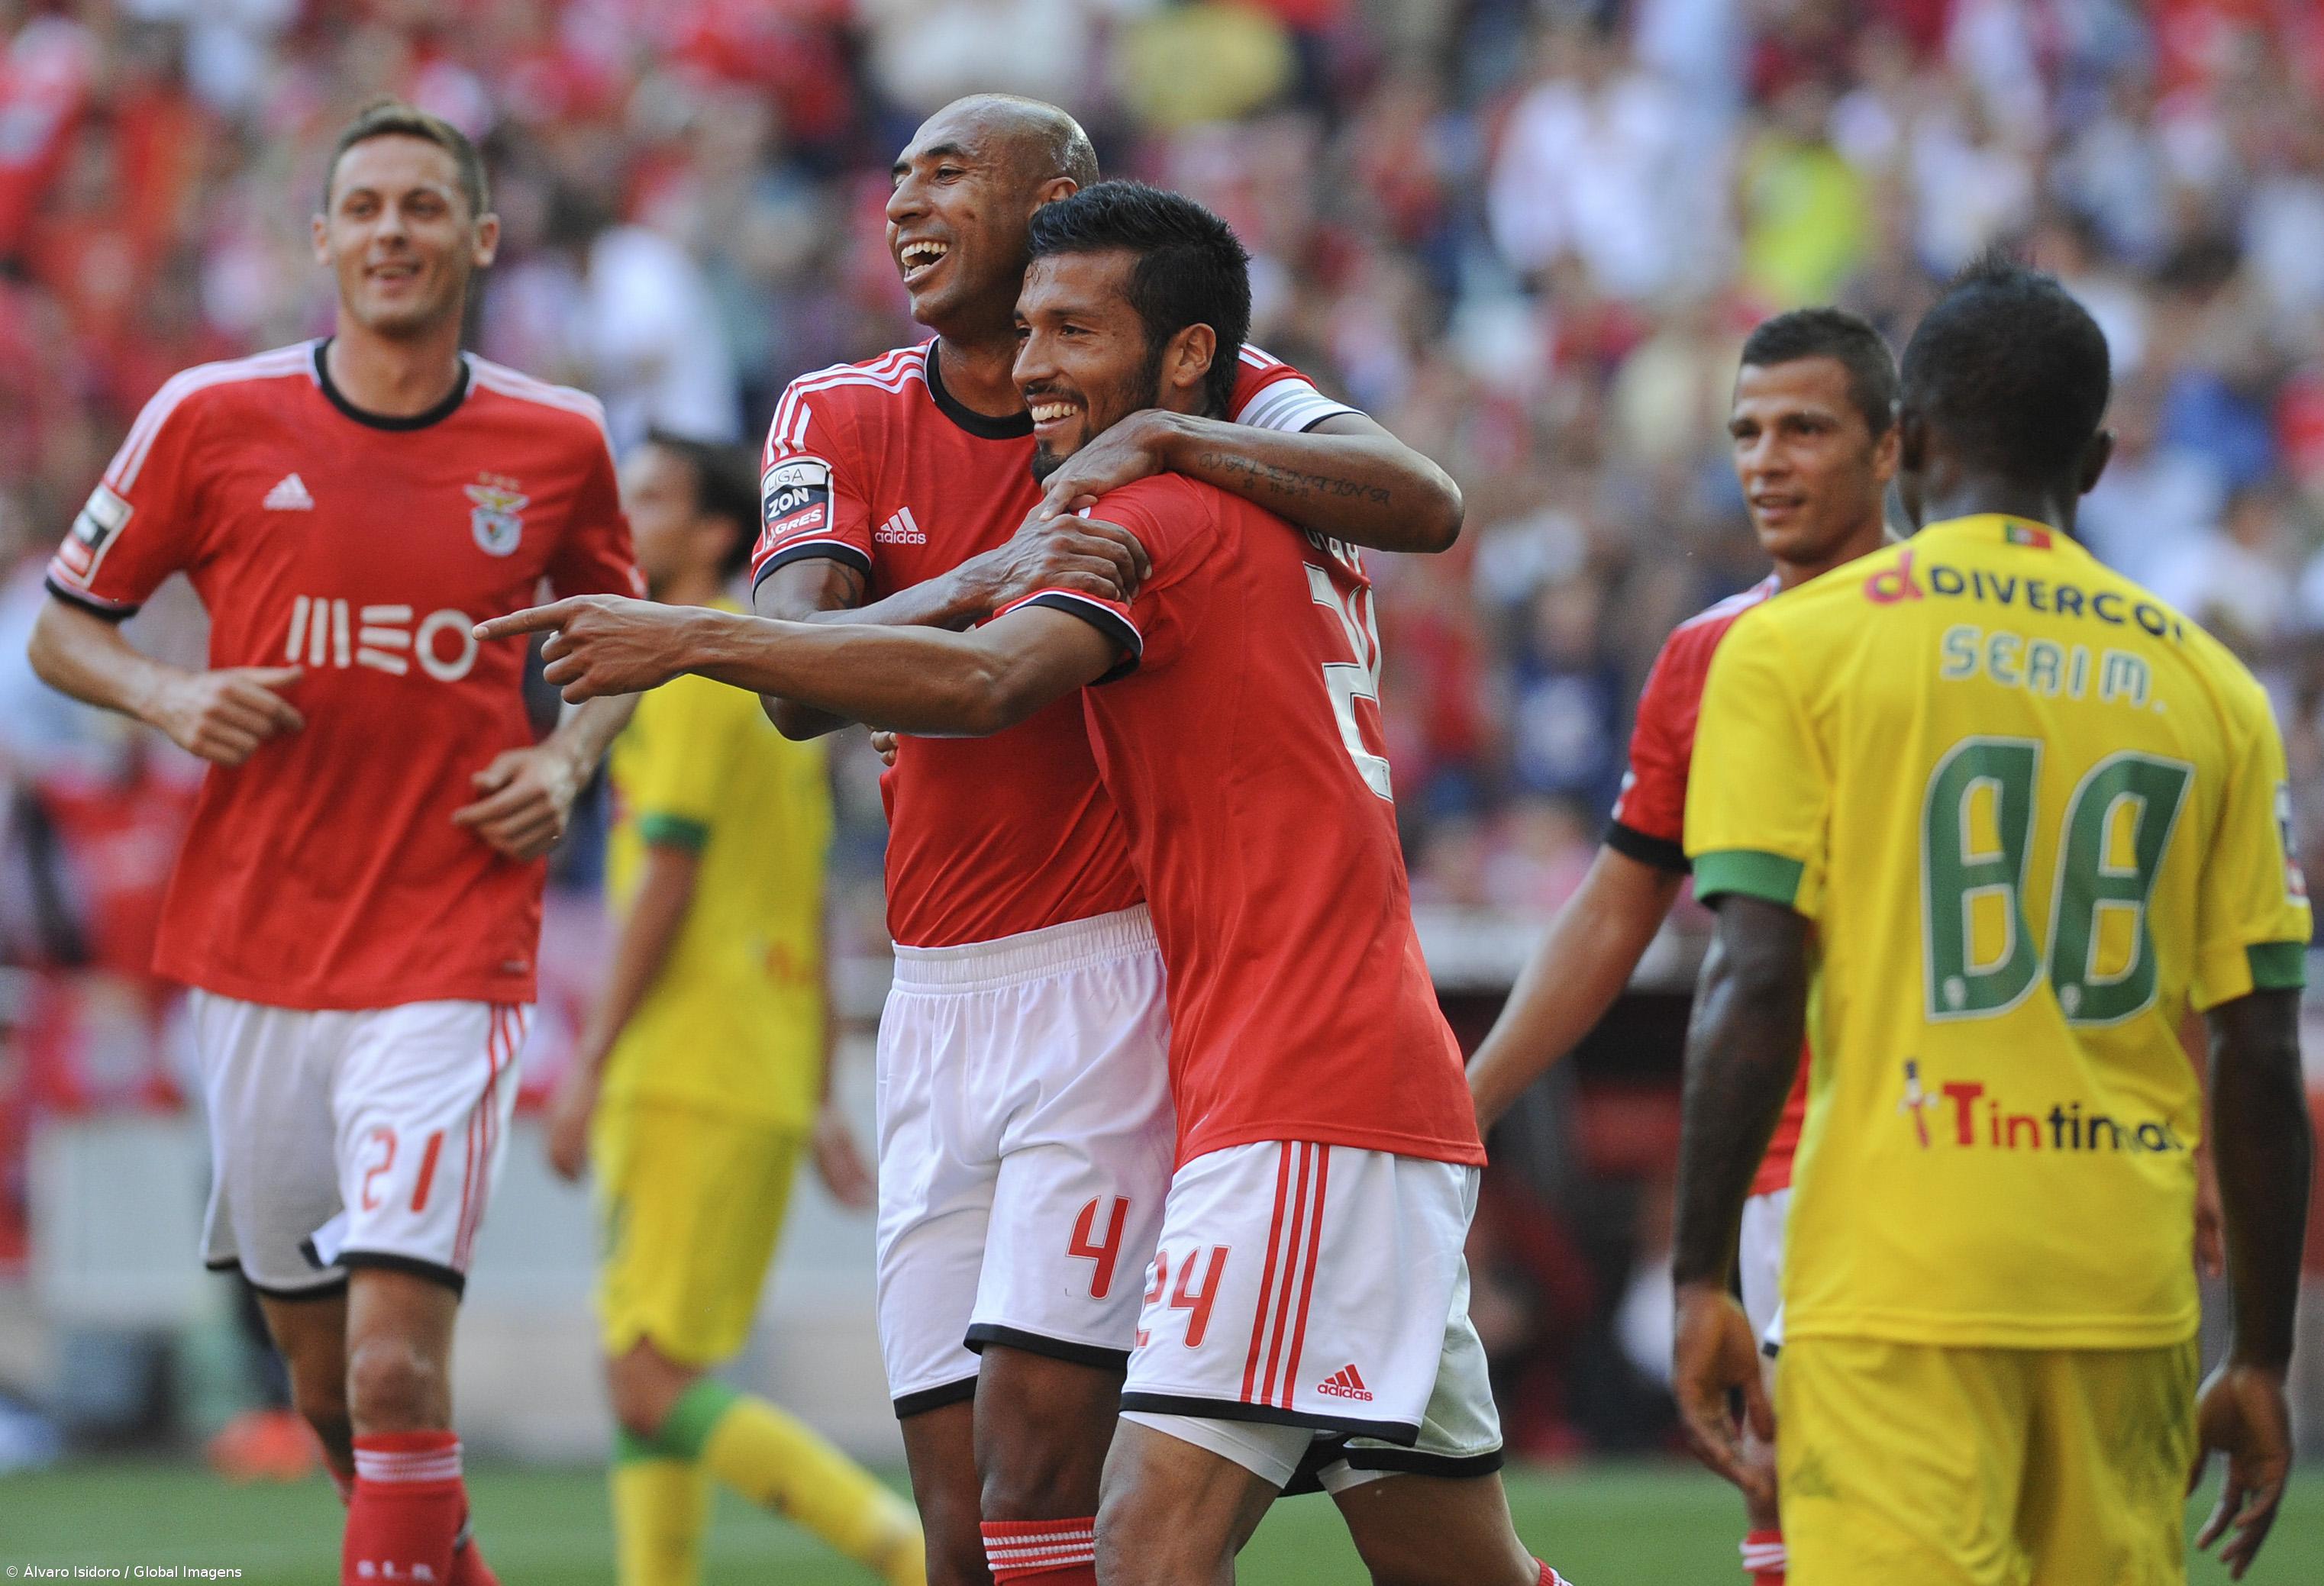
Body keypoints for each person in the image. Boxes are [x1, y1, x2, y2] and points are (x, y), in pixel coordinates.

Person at [478, 177, 1570, 1586]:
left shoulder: (1158, 509)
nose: (1037, 365)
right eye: (1031, 331)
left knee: (1134, 1535)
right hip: (1283, 1064)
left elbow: (994, 680)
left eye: (1069, 331)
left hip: (1296, 1085)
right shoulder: (1229, 479)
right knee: (1450, 1564)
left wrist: (693, 637)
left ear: (1187, 359)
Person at [749, 95, 1467, 1586]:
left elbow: (1423, 500)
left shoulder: (1202, 422)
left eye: (950, 172)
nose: (906, 203)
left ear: (1059, 195)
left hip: (1131, 980)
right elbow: (789, 673)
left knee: (1071, 1477)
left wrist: (1161, 438)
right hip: (934, 987)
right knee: (962, 1511)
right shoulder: (842, 406)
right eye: (895, 176)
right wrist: (975, 574)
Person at [27, 100, 641, 1586]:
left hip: (448, 946)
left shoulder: (555, 439)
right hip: (254, 955)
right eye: (364, 207)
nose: (392, 233)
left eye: (425, 207)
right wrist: (168, 690)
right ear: (320, 240)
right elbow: (62, 629)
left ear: (481, 239)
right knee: (325, 1395)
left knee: (391, 1377)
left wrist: (565, 760)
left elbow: (618, 644)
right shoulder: (210, 417)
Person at [1667, 256, 2313, 1585]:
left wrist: (1698, 1271)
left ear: (1909, 443)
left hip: (1895, 1277)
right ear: (2099, 458)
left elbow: (1754, 978)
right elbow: (2258, 1048)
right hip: (2126, 1291)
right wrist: (2259, 1352)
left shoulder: (1794, 649)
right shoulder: (2214, 691)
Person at [1466, 306, 1900, 1586]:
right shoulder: (1707, 653)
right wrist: (1467, 1100)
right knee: (1796, 1540)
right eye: (1748, 432)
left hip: (1952, 1141)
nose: (1767, 459)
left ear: (1891, 449)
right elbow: (1616, 906)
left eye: (1806, 428)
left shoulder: (1964, 636)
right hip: (1778, 1168)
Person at [542, 431, 920, 1586]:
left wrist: (592, 1059)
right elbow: (802, 894)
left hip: (685, 1059)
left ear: (714, 533)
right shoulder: (762, 672)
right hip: (748, 1061)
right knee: (645, 1367)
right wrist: (811, 1094)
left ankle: (905, 1552)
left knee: (647, 1375)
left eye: (651, 497)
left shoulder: (683, 669)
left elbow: (670, 874)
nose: (628, 513)